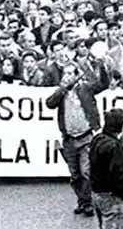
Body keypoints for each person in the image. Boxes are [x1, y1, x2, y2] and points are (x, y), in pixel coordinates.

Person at [45, 59, 110, 217]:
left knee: (86, 171)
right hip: (69, 138)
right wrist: (62, 89)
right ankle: (82, 200)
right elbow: (49, 104)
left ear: (76, 76)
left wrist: (101, 66)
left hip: (85, 135)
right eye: (65, 74)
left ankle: (87, 203)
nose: (67, 77)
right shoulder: (60, 92)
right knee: (75, 175)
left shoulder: (85, 89)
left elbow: (102, 84)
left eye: (70, 73)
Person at [90, 108, 123, 229]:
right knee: (115, 222)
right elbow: (118, 172)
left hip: (97, 191)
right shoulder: (114, 147)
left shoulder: (97, 139)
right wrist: (122, 193)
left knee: (104, 223)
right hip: (111, 194)